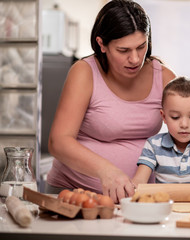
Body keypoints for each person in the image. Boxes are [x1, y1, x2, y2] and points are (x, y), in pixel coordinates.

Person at [45, 0, 176, 203]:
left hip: (138, 200)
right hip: (74, 195)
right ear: (102, 44)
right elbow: (58, 142)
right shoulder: (85, 72)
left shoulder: (164, 77)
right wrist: (106, 171)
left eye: (141, 47)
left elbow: (186, 134)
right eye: (123, 51)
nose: (135, 59)